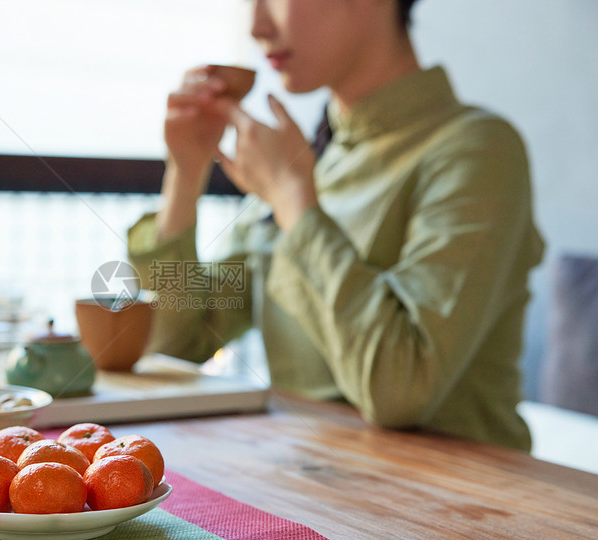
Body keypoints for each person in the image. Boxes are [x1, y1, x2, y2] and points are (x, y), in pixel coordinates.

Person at [127, 0, 544, 451]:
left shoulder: (477, 149)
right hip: (309, 483)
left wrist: (296, 207)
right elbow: (175, 344)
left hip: (462, 500)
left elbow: (401, 388)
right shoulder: (310, 159)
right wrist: (185, 176)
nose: (257, 26)